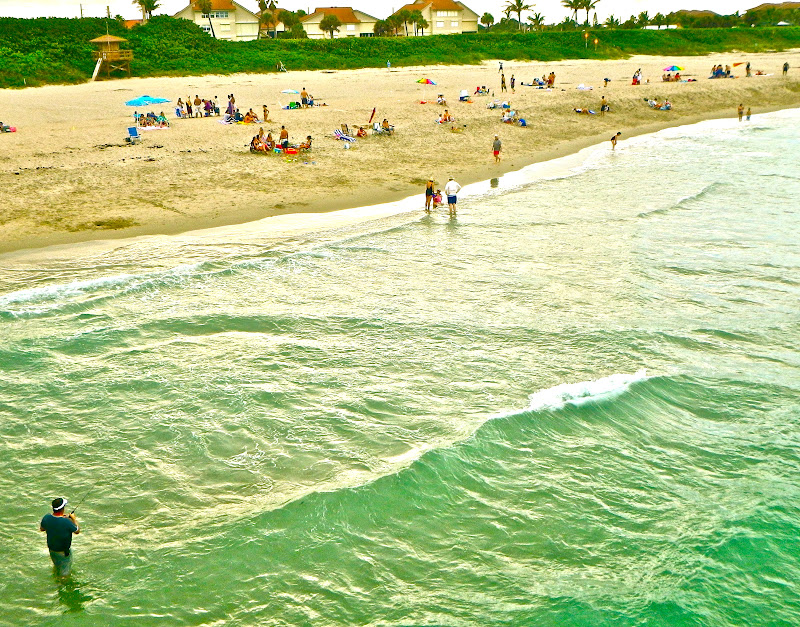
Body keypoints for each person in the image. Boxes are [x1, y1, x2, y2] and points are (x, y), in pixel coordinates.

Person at [40, 497, 80, 577]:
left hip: (52, 550)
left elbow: (42, 529)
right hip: (63, 552)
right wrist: (74, 519)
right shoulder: (66, 521)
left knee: (57, 567)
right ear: (62, 509)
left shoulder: (46, 517)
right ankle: (61, 585)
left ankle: (57, 578)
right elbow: (77, 530)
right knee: (65, 574)